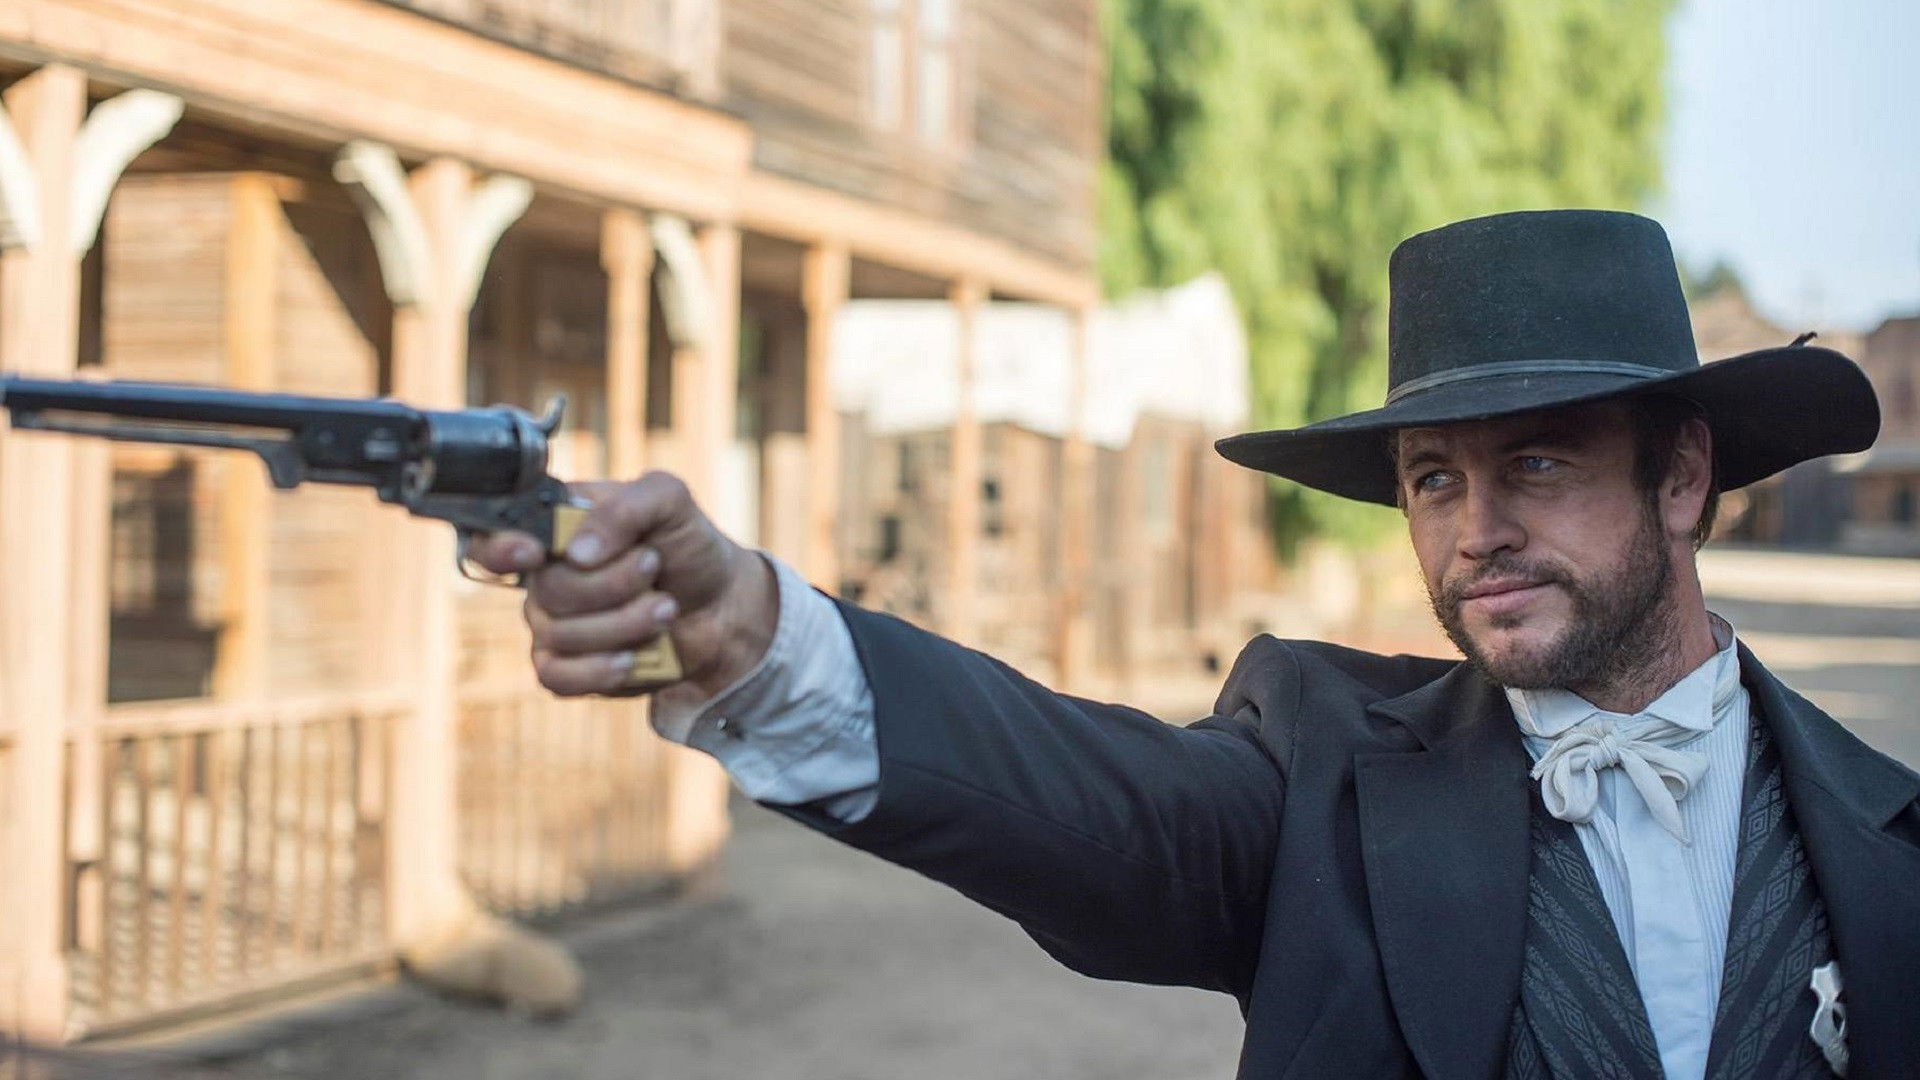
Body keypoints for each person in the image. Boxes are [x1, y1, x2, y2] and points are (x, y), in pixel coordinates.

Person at [468, 210, 1920, 1079]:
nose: (1474, 528)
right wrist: (759, 636)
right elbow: (1077, 793)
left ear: (1682, 479)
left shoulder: (1890, 834)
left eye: (1538, 464)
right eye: (1433, 478)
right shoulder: (1324, 773)